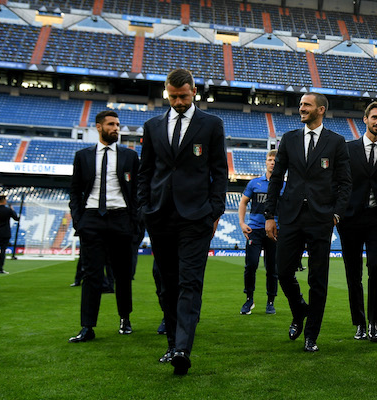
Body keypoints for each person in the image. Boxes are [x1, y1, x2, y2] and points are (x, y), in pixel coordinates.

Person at [138, 68, 228, 375]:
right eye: (173, 96)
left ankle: (181, 349)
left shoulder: (212, 124)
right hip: (160, 214)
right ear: (167, 92)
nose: (178, 101)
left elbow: (219, 171)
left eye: (183, 96)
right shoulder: (152, 126)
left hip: (196, 217)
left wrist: (214, 210)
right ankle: (172, 343)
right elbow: (145, 171)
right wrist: (144, 207)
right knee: (167, 284)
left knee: (190, 281)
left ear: (194, 93)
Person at [264, 92, 352, 353]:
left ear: (321, 110)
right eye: (301, 104)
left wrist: (336, 214)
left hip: (320, 219)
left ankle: (311, 335)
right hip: (290, 217)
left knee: (318, 279)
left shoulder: (336, 142)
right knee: (282, 271)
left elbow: (346, 183)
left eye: (306, 105)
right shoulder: (289, 139)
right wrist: (270, 214)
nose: (301, 108)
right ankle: (299, 309)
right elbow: (276, 178)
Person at [68, 110, 139, 343]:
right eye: (111, 124)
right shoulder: (83, 156)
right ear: (98, 127)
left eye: (117, 124)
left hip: (121, 219)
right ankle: (87, 326)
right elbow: (75, 190)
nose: (116, 128)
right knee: (92, 275)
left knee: (123, 274)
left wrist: (134, 220)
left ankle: (125, 318)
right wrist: (79, 219)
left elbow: (138, 192)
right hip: (92, 220)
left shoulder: (130, 156)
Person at [337, 101, 377, 342]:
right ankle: (359, 322)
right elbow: (338, 183)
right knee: (353, 273)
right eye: (374, 117)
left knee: (375, 269)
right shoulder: (348, 149)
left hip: (376, 221)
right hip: (349, 220)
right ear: (365, 119)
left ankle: (373, 322)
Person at [238, 150, 281, 315]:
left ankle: (271, 302)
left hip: (274, 232)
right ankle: (249, 300)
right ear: (265, 162)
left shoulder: (283, 186)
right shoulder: (254, 183)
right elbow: (243, 203)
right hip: (254, 230)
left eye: (275, 160)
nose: (272, 162)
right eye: (269, 159)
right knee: (251, 265)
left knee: (272, 268)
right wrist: (242, 223)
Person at [0, 195, 19, 274]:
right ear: (4, 201)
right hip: (5, 233)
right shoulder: (8, 210)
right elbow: (16, 218)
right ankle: (0, 269)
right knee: (3, 251)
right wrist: (13, 210)